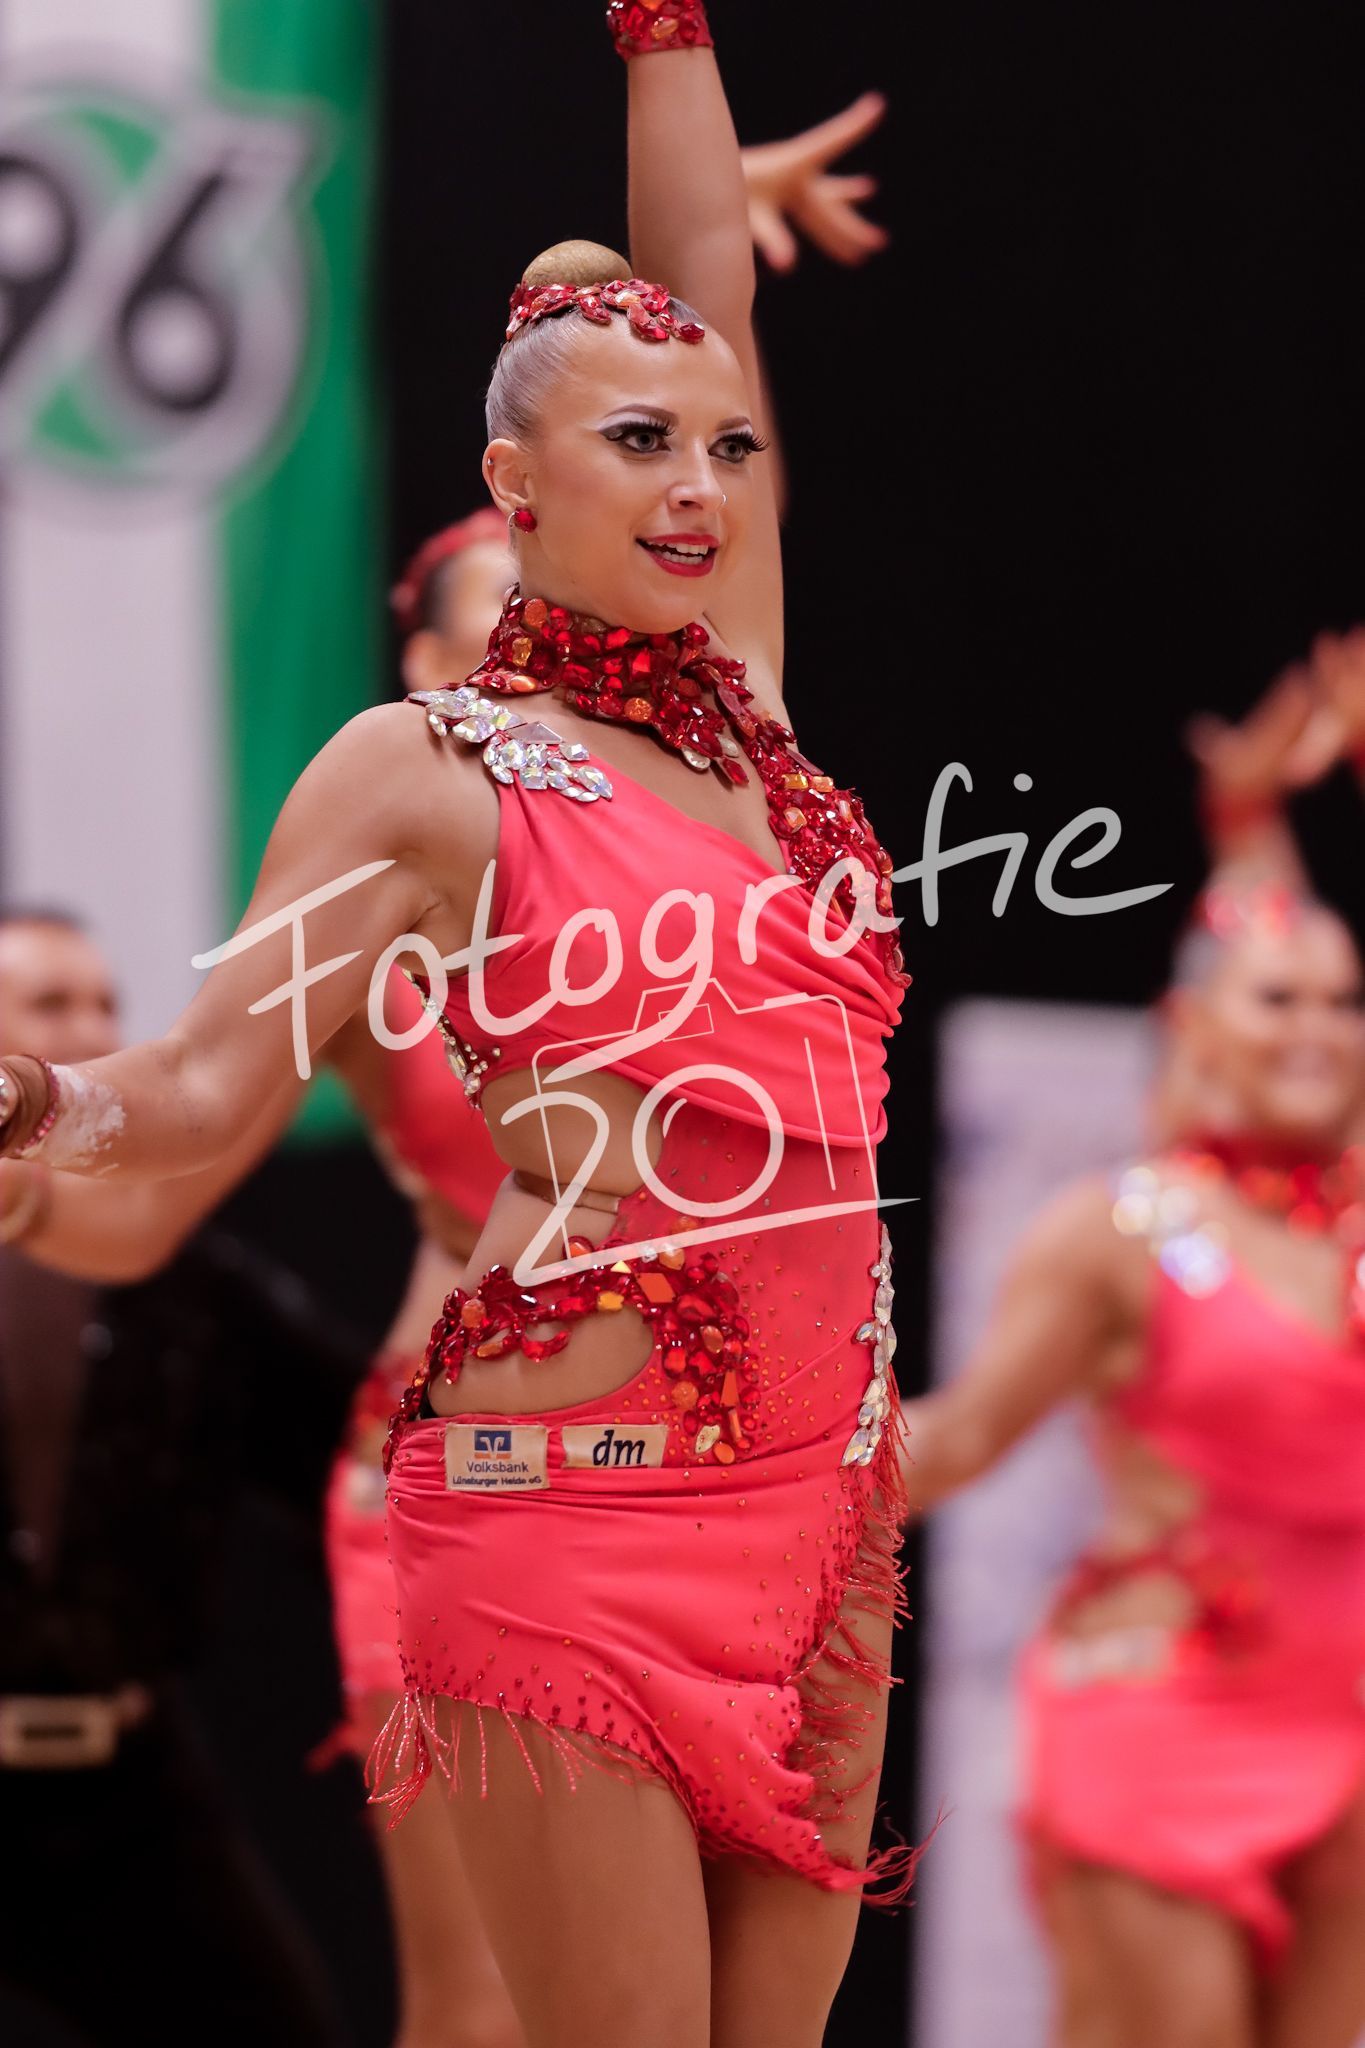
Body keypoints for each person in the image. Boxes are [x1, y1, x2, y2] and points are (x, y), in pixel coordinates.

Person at [0, 12, 911, 2046]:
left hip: (817, 1517)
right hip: (562, 1506)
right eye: (638, 442)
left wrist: (665, 28)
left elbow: (705, 275)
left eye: (727, 447)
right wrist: (35, 1097)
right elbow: (205, 1083)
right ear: (513, 479)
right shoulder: (423, 771)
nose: (698, 483)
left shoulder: (751, 717)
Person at [902, 877, 1365, 2048]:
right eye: (1278, 998)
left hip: (1346, 1728)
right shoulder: (1118, 1229)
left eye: (1343, 1000)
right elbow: (959, 1437)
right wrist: (728, 1488)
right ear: (1193, 1023)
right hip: (1165, 1713)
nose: (1316, 1026)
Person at [0, 908, 354, 2048]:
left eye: (107, 1003)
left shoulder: (194, 1278)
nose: (91, 1028)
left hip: (127, 1784)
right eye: (51, 1003)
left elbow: (355, 1453)